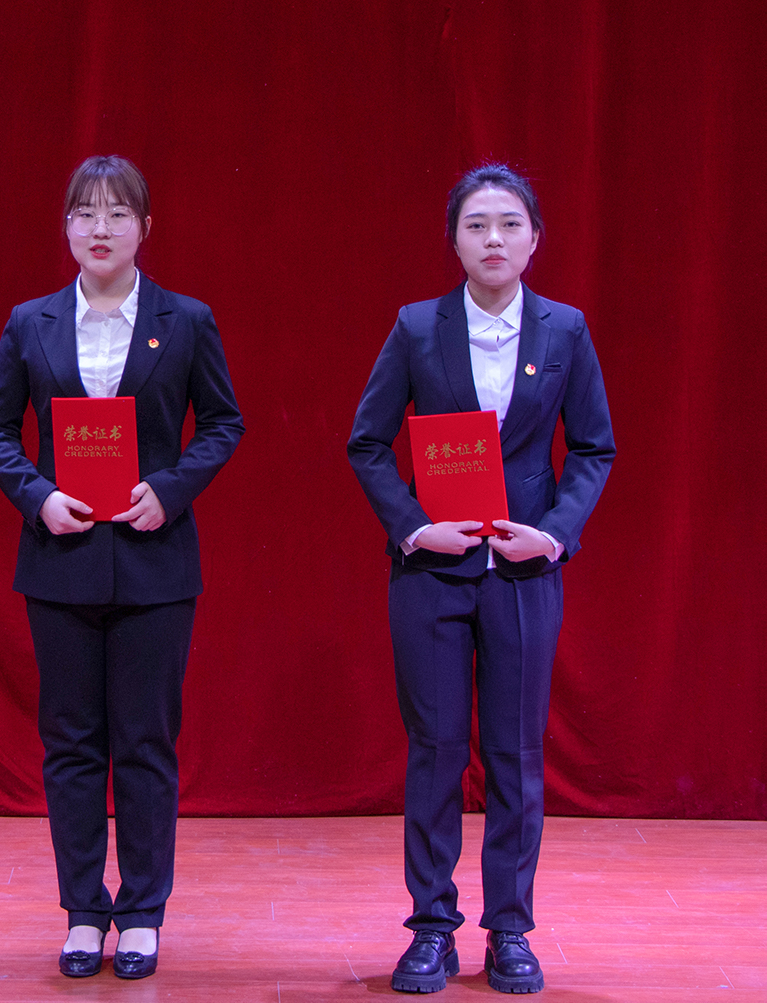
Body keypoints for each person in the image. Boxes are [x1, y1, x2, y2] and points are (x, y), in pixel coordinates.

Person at [0, 156, 243, 980]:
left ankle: (144, 911)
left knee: (147, 742)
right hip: (61, 561)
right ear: (65, 227)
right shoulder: (31, 322)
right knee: (71, 743)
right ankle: (85, 910)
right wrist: (38, 495)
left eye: (117, 213)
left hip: (156, 563)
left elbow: (223, 424)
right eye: (85, 213)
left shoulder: (185, 319)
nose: (100, 228)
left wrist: (170, 488)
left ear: (144, 227)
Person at [347, 164, 615, 994]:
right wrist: (412, 525)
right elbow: (367, 441)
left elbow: (594, 447)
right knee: (434, 750)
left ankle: (510, 929)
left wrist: (555, 534)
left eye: (508, 224)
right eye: (476, 225)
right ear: (455, 240)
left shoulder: (565, 330)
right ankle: (431, 926)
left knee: (516, 753)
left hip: (524, 574)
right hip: (433, 569)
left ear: (534, 239)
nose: (493, 239)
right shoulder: (417, 327)